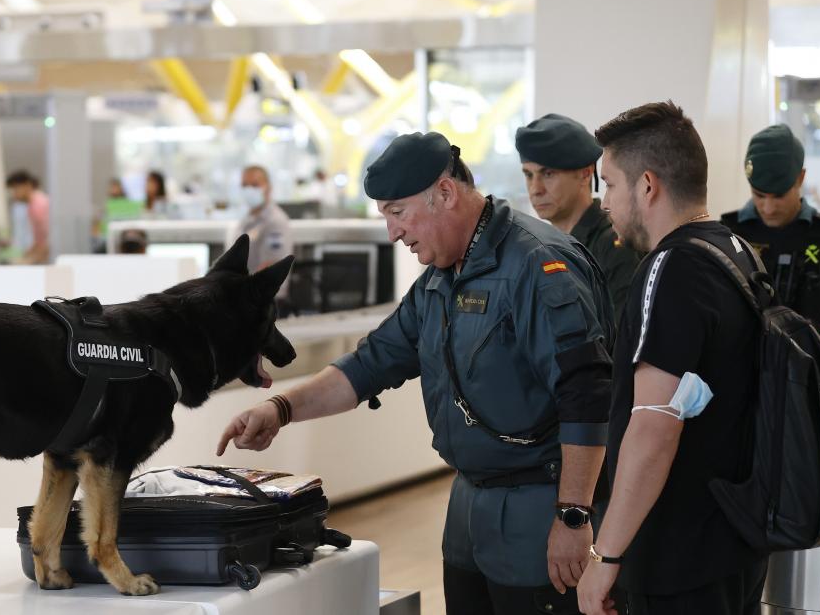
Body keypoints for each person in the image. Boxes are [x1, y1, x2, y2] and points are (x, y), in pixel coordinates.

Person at [218, 132, 616, 615]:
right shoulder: (440, 279)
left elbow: (586, 394)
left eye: (396, 212)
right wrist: (278, 408)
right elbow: (368, 365)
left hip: (540, 508)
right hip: (469, 512)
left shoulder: (536, 264)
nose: (392, 233)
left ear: (445, 194)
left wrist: (573, 517)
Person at [576, 101, 766, 615]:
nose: (604, 201)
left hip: (679, 559)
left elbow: (655, 427)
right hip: (734, 543)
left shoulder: (672, 266)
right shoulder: (734, 248)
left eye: (610, 184)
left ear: (648, 185)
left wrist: (606, 554)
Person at [719, 123, 820, 351]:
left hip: (806, 381)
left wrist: (810, 334)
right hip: (736, 383)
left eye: (779, 196)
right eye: (759, 195)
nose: (768, 207)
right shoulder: (726, 236)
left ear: (801, 178)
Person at [517, 113, 642, 316]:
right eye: (529, 175)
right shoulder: (541, 247)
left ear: (585, 174)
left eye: (548, 174)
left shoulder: (614, 243)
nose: (535, 189)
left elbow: (623, 338)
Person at [231, 165, 293, 274]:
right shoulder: (247, 219)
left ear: (268, 188)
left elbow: (270, 269)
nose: (249, 190)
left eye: (255, 185)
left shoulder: (275, 222)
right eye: (244, 185)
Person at [6, 170, 50, 264]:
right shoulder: (33, 204)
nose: (13, 194)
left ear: (27, 185)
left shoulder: (38, 205)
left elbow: (43, 243)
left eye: (15, 189)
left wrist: (25, 261)